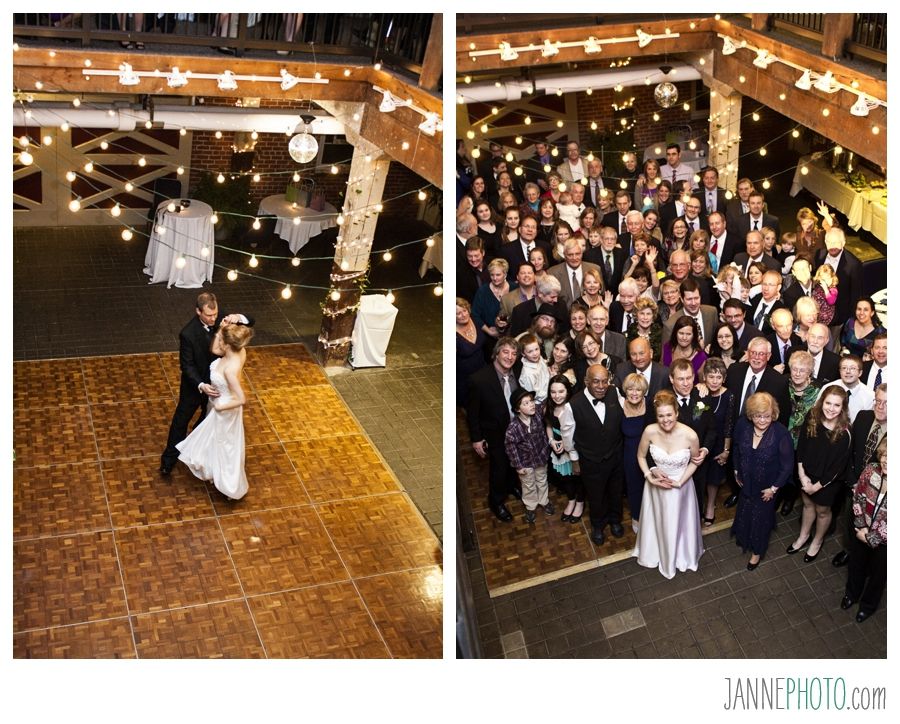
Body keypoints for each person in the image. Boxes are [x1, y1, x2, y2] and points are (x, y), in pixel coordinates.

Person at [160, 293, 253, 475]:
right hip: (196, 386)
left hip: (219, 386)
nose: (213, 318)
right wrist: (201, 385)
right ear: (198, 311)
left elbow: (251, 321)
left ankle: (197, 446)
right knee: (181, 421)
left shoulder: (223, 318)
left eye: (215, 314)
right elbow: (186, 365)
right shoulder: (187, 333)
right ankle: (168, 460)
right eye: (209, 315)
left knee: (207, 418)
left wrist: (238, 317)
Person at [176, 323, 254, 499]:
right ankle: (215, 471)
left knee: (226, 446)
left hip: (225, 409)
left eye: (221, 341)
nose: (218, 343)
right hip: (217, 404)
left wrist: (219, 406)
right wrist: (221, 330)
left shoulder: (229, 370)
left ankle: (230, 485)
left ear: (227, 345)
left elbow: (242, 399)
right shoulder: (238, 351)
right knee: (216, 442)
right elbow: (214, 348)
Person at [633, 389, 704, 579]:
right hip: (656, 486)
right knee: (657, 520)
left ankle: (679, 556)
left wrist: (680, 481)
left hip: (681, 487)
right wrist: (649, 474)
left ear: (677, 413)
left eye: (669, 415)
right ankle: (655, 553)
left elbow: (695, 461)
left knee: (678, 523)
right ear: (656, 416)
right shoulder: (649, 431)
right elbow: (640, 456)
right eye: (661, 416)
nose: (665, 420)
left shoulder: (690, 435)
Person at [729, 391, 793, 570]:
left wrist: (773, 489)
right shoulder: (743, 426)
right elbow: (736, 449)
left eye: (767, 416)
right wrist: (736, 471)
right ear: (751, 415)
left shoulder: (781, 434)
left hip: (766, 488)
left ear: (773, 414)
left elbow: (787, 466)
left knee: (760, 520)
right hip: (746, 484)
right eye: (758, 416)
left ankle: (757, 552)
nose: (763, 420)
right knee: (745, 512)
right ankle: (744, 537)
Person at [788, 385, 852, 562]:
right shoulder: (812, 416)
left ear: (843, 408)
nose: (831, 408)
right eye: (828, 403)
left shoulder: (845, 432)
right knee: (808, 505)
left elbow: (837, 468)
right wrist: (802, 474)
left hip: (827, 481)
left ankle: (817, 540)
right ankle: (804, 535)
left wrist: (816, 486)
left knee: (822, 511)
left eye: (836, 405)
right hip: (807, 474)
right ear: (822, 402)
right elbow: (801, 445)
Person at [466, 337, 522, 522]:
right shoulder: (479, 380)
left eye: (514, 353)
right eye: (505, 352)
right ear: (496, 353)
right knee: (499, 467)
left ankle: (512, 486)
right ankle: (496, 501)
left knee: (515, 461)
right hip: (495, 432)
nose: (510, 357)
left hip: (516, 428)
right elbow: (473, 413)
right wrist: (476, 438)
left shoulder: (518, 372)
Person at [570, 364, 625, 545]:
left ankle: (615, 520)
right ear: (586, 382)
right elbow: (568, 436)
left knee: (615, 491)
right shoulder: (574, 405)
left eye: (604, 381)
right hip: (591, 459)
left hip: (615, 455)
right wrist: (575, 460)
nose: (601, 386)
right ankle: (598, 526)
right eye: (596, 382)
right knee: (596, 495)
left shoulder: (614, 392)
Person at [842, 437, 888, 623]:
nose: (886, 461)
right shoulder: (870, 471)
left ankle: (867, 606)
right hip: (862, 530)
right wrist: (861, 526)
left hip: (884, 543)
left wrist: (871, 538)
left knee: (879, 575)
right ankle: (851, 594)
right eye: (885, 455)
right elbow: (858, 497)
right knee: (856, 564)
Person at [781, 350, 821, 516]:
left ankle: (790, 498)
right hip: (782, 437)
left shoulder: (818, 389)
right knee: (782, 467)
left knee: (798, 472)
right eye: (794, 369)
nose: (797, 373)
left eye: (802, 370)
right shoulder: (783, 383)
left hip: (806, 440)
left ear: (809, 372)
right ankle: (780, 493)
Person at [505, 388, 553, 524]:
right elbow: (511, 448)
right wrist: (518, 466)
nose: (531, 404)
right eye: (525, 403)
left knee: (542, 480)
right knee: (528, 485)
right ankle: (531, 506)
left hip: (541, 457)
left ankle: (544, 501)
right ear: (518, 409)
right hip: (525, 463)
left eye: (531, 401)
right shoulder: (513, 428)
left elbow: (546, 402)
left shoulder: (537, 413)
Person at [699, 357, 736, 525]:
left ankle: (711, 505)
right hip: (700, 443)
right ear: (704, 377)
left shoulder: (728, 396)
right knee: (700, 477)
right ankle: (698, 506)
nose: (714, 381)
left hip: (719, 443)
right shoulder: (699, 393)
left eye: (718, 377)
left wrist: (726, 450)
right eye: (711, 377)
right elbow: (695, 417)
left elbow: (729, 425)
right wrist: (699, 394)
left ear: (724, 378)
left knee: (714, 479)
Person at [546, 375, 583, 523]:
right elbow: (548, 425)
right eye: (553, 392)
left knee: (578, 477)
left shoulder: (574, 407)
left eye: (561, 391)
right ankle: (571, 500)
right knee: (566, 478)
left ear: (568, 391)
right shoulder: (548, 407)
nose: (557, 396)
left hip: (574, 448)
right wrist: (551, 441)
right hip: (558, 450)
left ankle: (580, 502)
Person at [619, 372, 652, 532]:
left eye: (638, 390)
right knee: (634, 487)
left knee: (651, 486)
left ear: (644, 391)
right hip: (630, 455)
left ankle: (651, 516)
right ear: (625, 390)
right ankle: (637, 517)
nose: (634, 393)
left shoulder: (651, 405)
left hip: (650, 455)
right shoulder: (618, 406)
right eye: (630, 389)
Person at [456, 298, 487, 408]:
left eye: (464, 311)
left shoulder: (475, 320)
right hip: (465, 380)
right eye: (458, 313)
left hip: (482, 371)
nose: (463, 315)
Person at [517, 333, 550, 404]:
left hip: (548, 392)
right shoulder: (527, 373)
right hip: (540, 402)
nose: (535, 353)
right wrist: (550, 391)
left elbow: (544, 364)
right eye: (530, 351)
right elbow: (534, 393)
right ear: (523, 354)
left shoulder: (539, 358)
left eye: (536, 349)